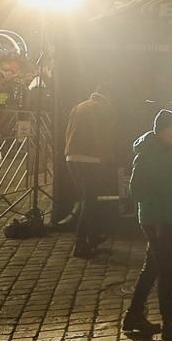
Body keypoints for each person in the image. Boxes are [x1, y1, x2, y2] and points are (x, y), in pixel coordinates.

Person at [124, 109, 172, 341]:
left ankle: (133, 315)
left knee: (152, 268)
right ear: (161, 131)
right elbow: (137, 190)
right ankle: (170, 326)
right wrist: (160, 203)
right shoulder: (148, 155)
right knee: (167, 271)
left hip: (166, 219)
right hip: (157, 221)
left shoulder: (168, 150)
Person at [63, 83, 120, 259]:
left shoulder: (79, 106)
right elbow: (105, 136)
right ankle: (81, 243)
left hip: (72, 158)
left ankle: (92, 238)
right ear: (108, 95)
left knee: (88, 198)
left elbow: (68, 132)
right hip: (92, 159)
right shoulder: (104, 108)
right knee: (90, 201)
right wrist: (107, 159)